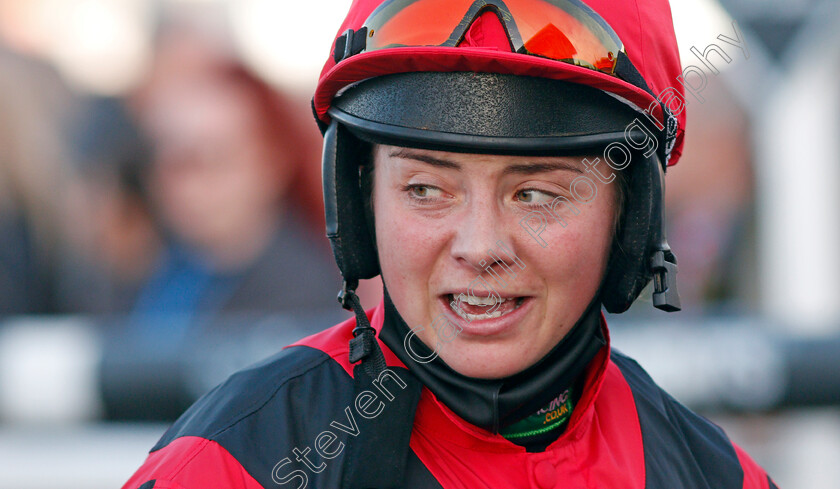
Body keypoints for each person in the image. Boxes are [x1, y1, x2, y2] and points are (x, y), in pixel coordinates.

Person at [122, 0, 779, 488]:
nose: (481, 244)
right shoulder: (232, 463)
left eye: (538, 193)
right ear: (360, 204)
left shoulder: (718, 476)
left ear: (630, 220)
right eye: (427, 189)